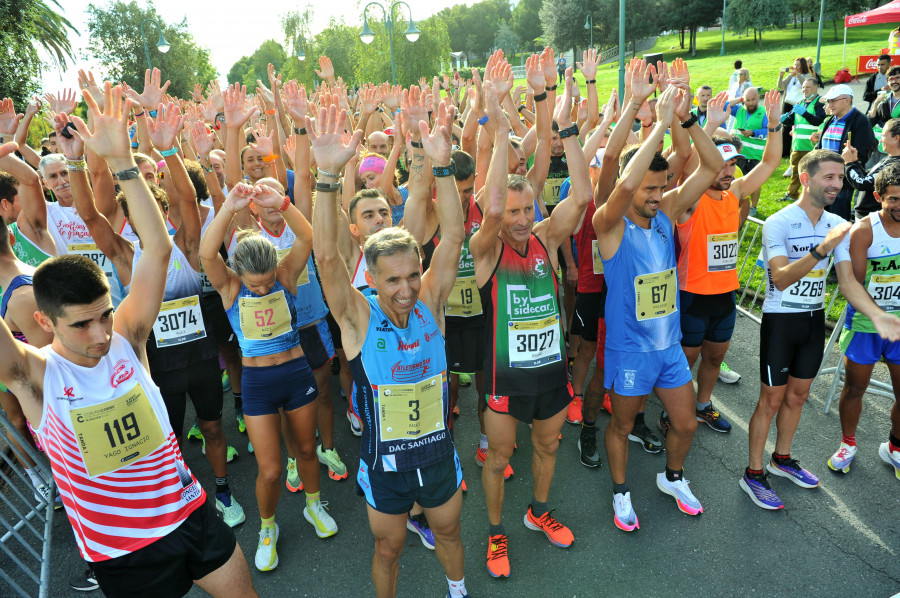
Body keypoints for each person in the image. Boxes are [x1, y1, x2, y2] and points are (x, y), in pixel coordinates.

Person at [0, 84, 256, 598]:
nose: (99, 335)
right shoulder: (32, 374)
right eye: (81, 325)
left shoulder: (126, 337)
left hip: (190, 513)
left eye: (105, 317)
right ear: (46, 323)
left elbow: (157, 249)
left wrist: (123, 163)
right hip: (125, 550)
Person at [313, 97, 469, 598]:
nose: (405, 289)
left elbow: (454, 235)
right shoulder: (358, 316)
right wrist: (326, 177)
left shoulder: (433, 303)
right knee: (389, 548)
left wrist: (441, 165)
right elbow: (324, 257)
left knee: (447, 531)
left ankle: (458, 590)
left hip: (438, 454)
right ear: (371, 279)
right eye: (392, 280)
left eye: (412, 276)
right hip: (386, 465)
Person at [593, 64, 724, 532]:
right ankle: (621, 491)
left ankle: (673, 477)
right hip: (630, 349)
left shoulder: (666, 210)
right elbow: (624, 183)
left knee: (686, 425)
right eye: (650, 188)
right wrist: (657, 122)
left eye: (662, 186)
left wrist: (687, 120)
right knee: (624, 428)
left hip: (668, 348)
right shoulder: (608, 225)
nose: (656, 195)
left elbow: (711, 168)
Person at [472, 62, 591, 578]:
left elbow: (583, 197)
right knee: (498, 458)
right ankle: (496, 533)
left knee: (547, 445)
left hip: (548, 373)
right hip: (503, 376)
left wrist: (568, 128)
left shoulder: (546, 236)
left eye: (527, 210)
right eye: (513, 211)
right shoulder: (485, 249)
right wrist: (498, 126)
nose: (521, 219)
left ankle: (538, 511)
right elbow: (493, 206)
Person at [741, 150, 900, 510]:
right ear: (805, 178)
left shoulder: (837, 222)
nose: (836, 184)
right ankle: (753, 473)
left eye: (841, 178)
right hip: (781, 321)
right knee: (770, 401)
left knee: (797, 398)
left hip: (813, 322)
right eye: (829, 177)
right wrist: (819, 250)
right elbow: (779, 279)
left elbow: (847, 282)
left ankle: (782, 459)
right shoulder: (778, 222)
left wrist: (876, 315)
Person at [200, 177, 338, 570]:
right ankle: (267, 527)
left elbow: (306, 238)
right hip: (259, 385)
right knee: (272, 469)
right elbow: (208, 254)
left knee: (308, 449)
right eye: (254, 286)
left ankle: (314, 504)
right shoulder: (229, 288)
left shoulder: (285, 276)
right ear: (240, 276)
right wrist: (228, 208)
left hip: (296, 375)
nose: (260, 291)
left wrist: (284, 203)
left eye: (265, 284)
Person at [661, 89, 781, 438]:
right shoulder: (689, 200)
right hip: (691, 295)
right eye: (723, 164)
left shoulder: (736, 194)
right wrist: (697, 121)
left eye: (733, 164)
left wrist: (774, 123)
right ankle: (675, 409)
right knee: (686, 361)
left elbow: (771, 162)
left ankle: (703, 404)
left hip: (725, 295)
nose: (729, 171)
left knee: (714, 359)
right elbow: (686, 155)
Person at [828, 162, 900, 478]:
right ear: (878, 196)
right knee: (856, 388)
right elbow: (854, 284)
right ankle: (848, 443)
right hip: (866, 324)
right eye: (893, 199)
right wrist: (880, 316)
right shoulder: (865, 230)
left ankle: (895, 446)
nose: (899, 205)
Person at [813, 84, 876, 221]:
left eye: (833, 101)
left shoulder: (860, 121)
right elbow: (820, 147)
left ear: (847, 100)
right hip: (824, 178)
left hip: (842, 181)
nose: (829, 105)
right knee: (823, 216)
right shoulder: (831, 119)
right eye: (828, 101)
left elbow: (861, 154)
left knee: (838, 218)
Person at [845, 118, 900, 220]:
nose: (880, 139)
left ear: (896, 138)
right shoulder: (890, 158)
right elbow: (868, 176)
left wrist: (849, 163)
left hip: (874, 218)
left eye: (883, 136)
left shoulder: (895, 165)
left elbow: (862, 183)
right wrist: (855, 161)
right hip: (869, 216)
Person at [780, 78, 826, 201]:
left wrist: (805, 113)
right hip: (797, 145)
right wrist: (785, 120)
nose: (805, 90)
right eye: (803, 87)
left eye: (808, 87)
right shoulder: (800, 102)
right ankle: (792, 195)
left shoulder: (820, 102)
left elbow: (820, 120)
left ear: (815, 88)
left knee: (812, 174)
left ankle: (812, 196)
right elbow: (792, 120)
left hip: (811, 146)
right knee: (795, 172)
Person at [728, 87, 768, 217]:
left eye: (753, 99)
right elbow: (724, 105)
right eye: (747, 100)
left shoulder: (763, 112)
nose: (751, 103)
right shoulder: (739, 110)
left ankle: (753, 207)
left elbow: (768, 131)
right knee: (734, 180)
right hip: (737, 154)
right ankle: (734, 204)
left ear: (758, 98)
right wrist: (739, 99)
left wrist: (754, 133)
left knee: (755, 182)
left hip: (755, 155)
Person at [777, 57, 814, 165]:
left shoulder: (807, 76)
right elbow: (781, 86)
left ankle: (795, 148)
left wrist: (798, 74)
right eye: (794, 64)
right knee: (785, 126)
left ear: (802, 66)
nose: (795, 67)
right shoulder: (791, 76)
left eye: (798, 65)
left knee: (796, 127)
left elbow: (805, 84)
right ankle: (784, 151)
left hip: (799, 104)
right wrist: (781, 75)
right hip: (787, 102)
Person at [868, 66, 900, 169]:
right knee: (868, 170)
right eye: (891, 79)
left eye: (897, 78)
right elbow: (870, 121)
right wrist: (876, 103)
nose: (894, 81)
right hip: (879, 146)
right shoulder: (884, 99)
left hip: (896, 149)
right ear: (887, 81)